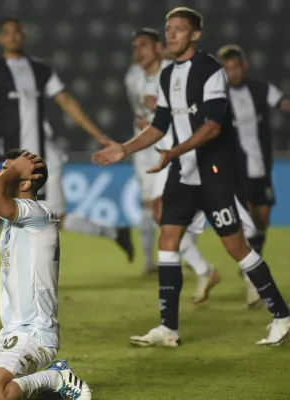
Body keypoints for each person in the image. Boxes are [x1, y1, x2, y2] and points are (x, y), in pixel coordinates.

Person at [93, 7, 290, 346]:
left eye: (179, 29)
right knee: (167, 241)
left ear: (195, 35)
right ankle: (168, 328)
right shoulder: (168, 76)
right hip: (183, 173)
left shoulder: (211, 71)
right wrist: (125, 149)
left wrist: (174, 152)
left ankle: (282, 316)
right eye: (168, 28)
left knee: (237, 247)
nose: (170, 34)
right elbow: (159, 125)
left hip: (214, 173)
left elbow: (213, 126)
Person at [0, 18, 134, 295]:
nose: (14, 37)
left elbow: (66, 101)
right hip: (7, 158)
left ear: (24, 36)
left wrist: (99, 136)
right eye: (8, 32)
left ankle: (37, 275)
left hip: (42, 159)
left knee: (50, 218)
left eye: (18, 32)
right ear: (0, 38)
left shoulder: (41, 70)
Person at [0, 150, 91, 400]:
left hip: (35, 333)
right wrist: (4, 166)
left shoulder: (38, 214)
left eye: (10, 174)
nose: (1, 177)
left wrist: (12, 170)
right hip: (10, 332)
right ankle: (32, 380)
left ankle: (55, 377)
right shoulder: (13, 215)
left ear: (24, 184)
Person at [125, 28, 220, 303]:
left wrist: (158, 111)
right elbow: (148, 115)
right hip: (159, 151)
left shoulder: (174, 70)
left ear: (158, 47)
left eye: (143, 46)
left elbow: (192, 104)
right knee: (161, 215)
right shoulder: (139, 79)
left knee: (166, 213)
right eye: (135, 48)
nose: (138, 52)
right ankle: (204, 269)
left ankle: (221, 270)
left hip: (180, 148)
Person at [218, 44, 290, 256]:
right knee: (246, 211)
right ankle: (251, 261)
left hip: (261, 163)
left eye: (235, 67)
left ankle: (255, 251)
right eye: (227, 69)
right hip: (236, 164)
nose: (232, 73)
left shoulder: (262, 89)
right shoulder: (218, 97)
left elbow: (283, 104)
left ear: (245, 66)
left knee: (263, 216)